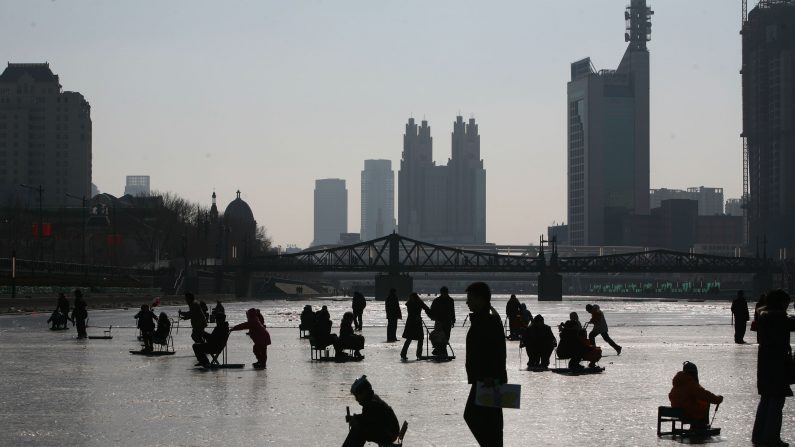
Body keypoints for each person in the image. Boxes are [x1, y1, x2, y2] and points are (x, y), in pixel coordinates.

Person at [463, 282, 506, 446]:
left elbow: (496, 351)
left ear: (480, 299)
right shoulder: (483, 320)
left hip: (487, 379)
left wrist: (491, 376)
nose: (467, 302)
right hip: (483, 377)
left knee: (478, 417)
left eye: (470, 298)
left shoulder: (489, 321)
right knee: (491, 421)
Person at [752, 289, 795, 446]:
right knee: (776, 401)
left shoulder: (764, 315)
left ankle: (759, 436)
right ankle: (771, 437)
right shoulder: (777, 317)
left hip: (765, 363)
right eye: (786, 303)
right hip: (777, 364)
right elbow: (791, 324)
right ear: (780, 302)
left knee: (766, 400)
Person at [342, 375, 400, 447]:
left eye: (357, 396)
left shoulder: (372, 403)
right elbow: (368, 418)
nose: (356, 399)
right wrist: (355, 418)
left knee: (358, 429)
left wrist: (355, 419)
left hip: (389, 434)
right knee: (358, 427)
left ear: (364, 392)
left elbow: (368, 420)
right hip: (388, 431)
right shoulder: (371, 400)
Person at [668, 361, 723, 427]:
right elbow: (705, 395)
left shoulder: (677, 384)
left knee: (696, 404)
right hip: (687, 413)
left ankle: (697, 426)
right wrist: (717, 399)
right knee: (705, 403)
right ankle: (700, 427)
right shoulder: (691, 384)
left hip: (676, 413)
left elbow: (671, 396)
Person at [400, 293, 431, 360]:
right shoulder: (417, 302)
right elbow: (426, 308)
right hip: (415, 322)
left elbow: (425, 308)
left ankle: (404, 354)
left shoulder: (410, 303)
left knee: (410, 339)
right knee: (418, 339)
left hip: (411, 322)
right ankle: (418, 355)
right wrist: (431, 315)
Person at [429, 286, 456, 357]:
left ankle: (440, 351)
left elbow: (452, 311)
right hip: (442, 321)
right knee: (442, 337)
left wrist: (453, 320)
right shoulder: (450, 300)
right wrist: (453, 320)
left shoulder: (438, 300)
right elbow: (452, 311)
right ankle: (441, 351)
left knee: (444, 337)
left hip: (444, 321)